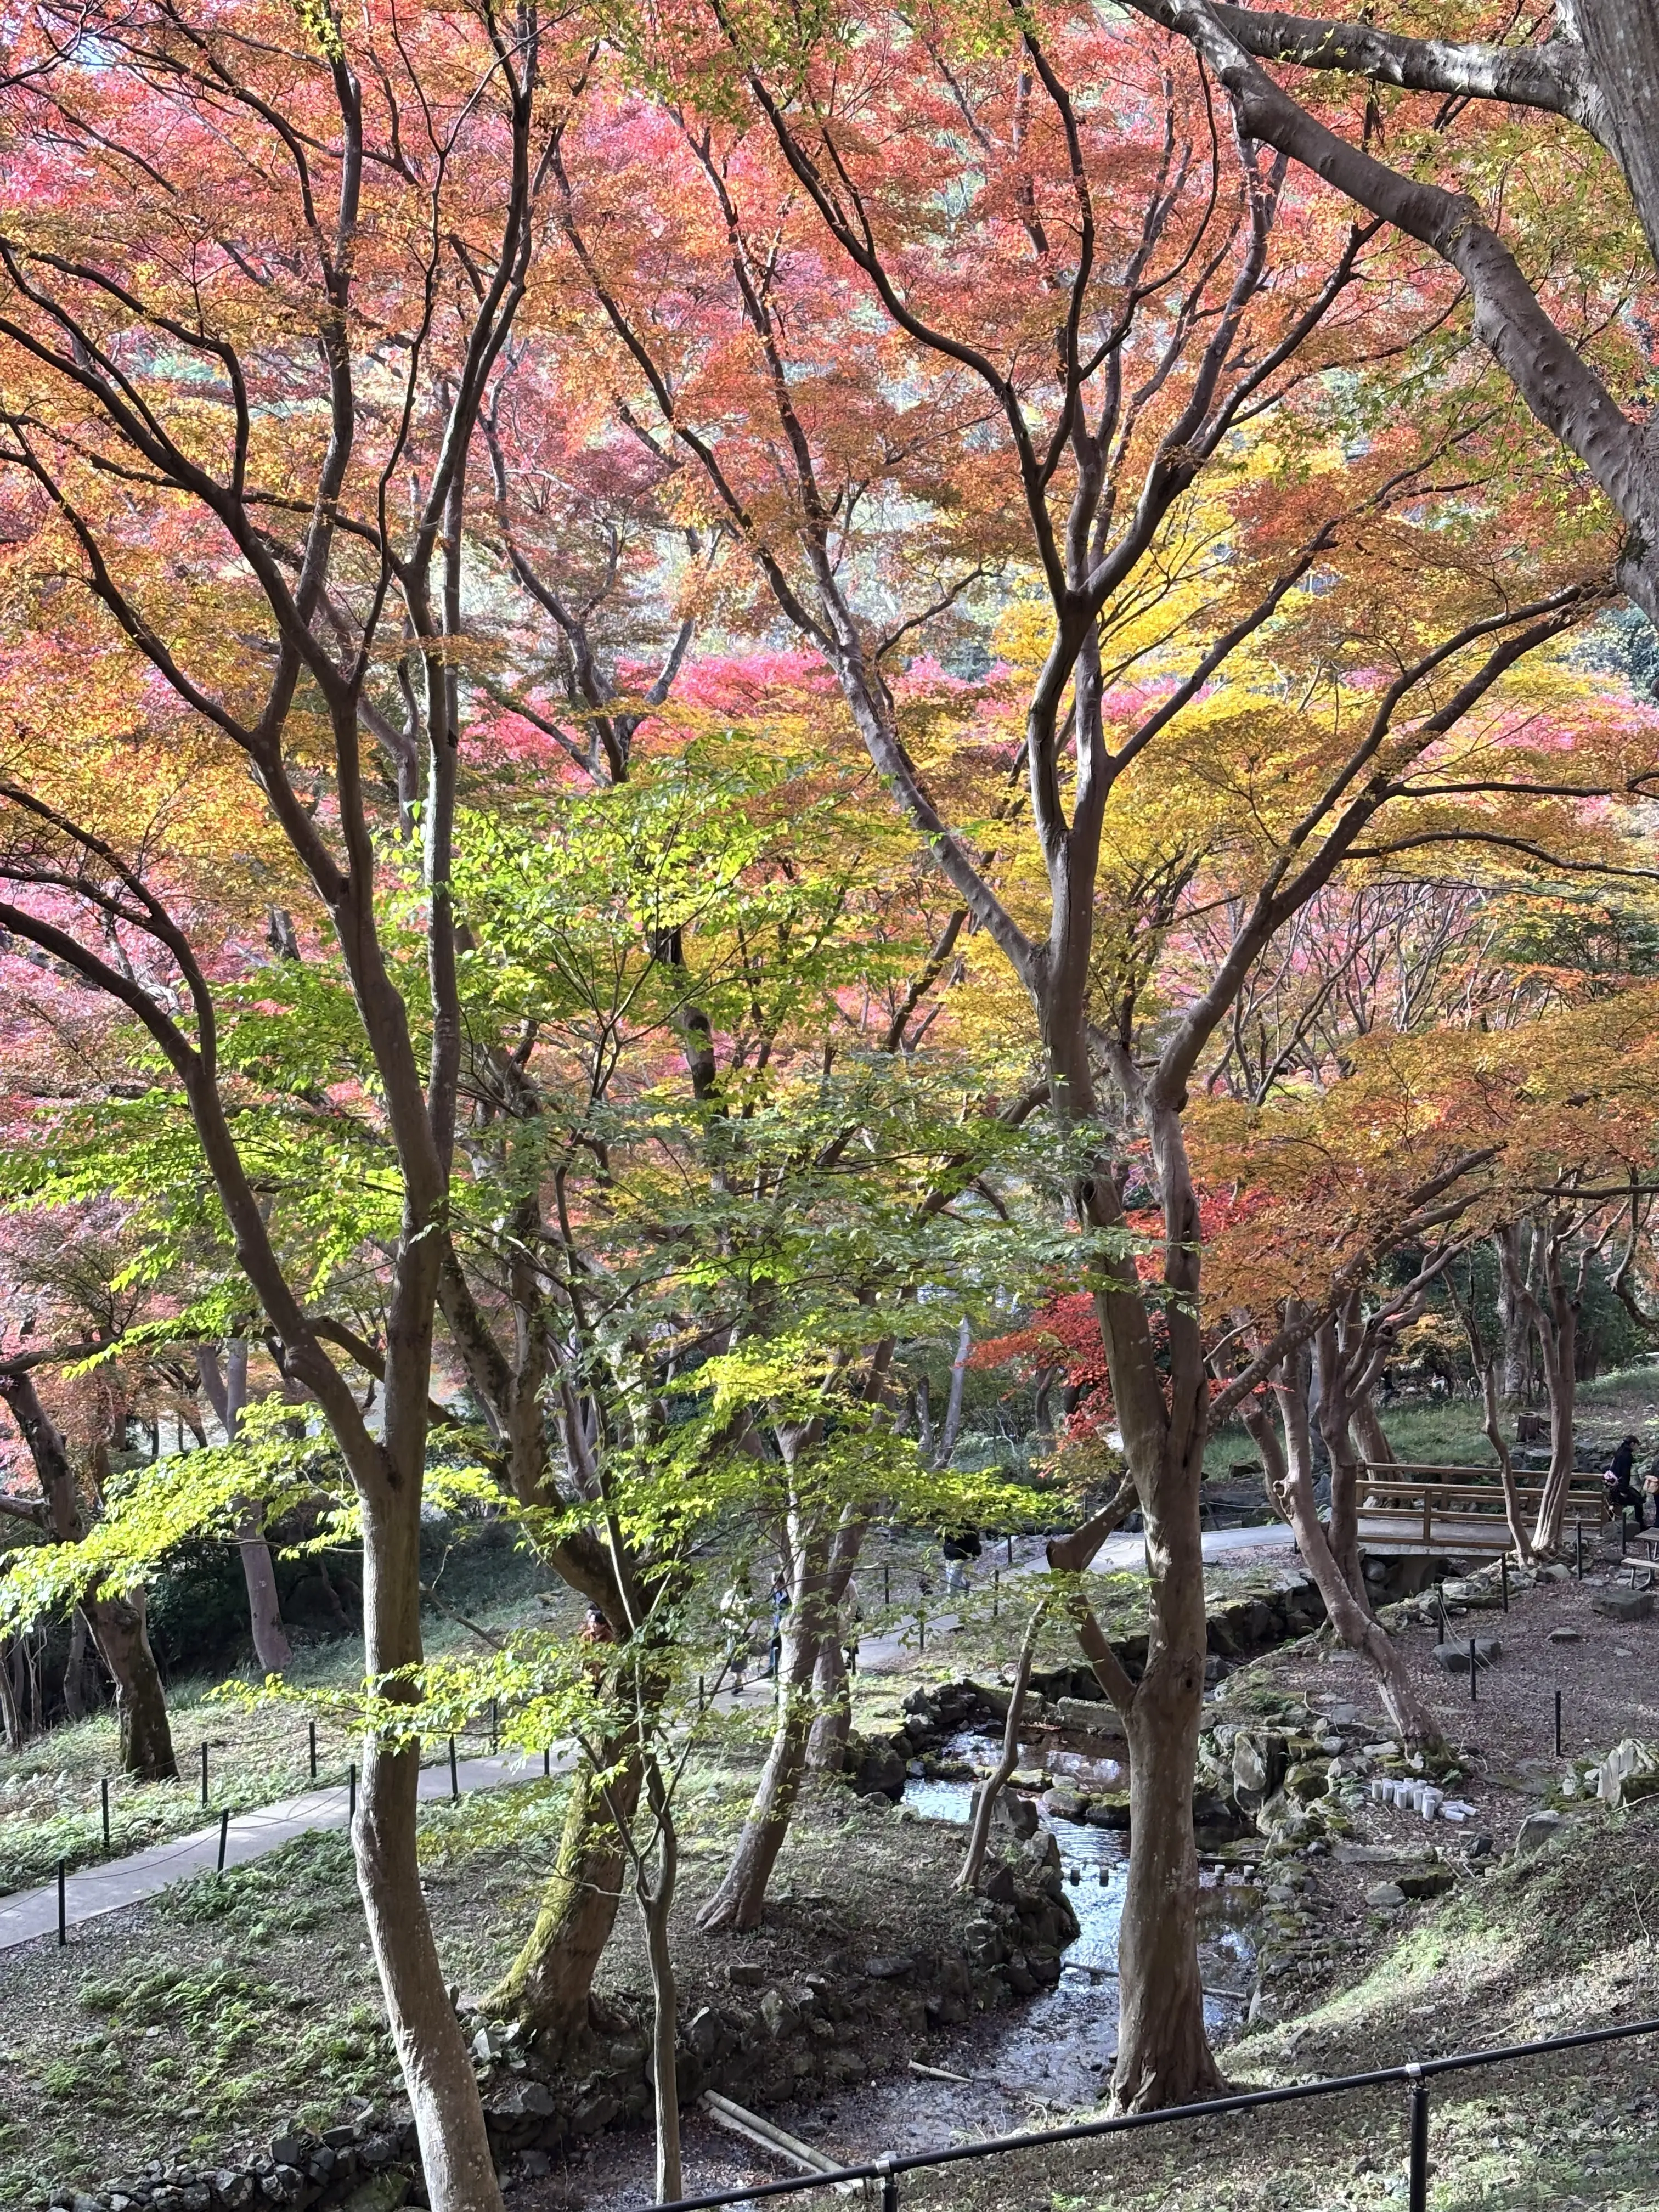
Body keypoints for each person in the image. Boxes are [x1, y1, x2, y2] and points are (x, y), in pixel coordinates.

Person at [719, 1571, 753, 1695]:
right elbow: (723, 1609)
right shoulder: (730, 1595)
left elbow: (751, 1616)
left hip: (742, 1631)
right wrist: (725, 1621)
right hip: (732, 1629)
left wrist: (749, 1631)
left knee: (738, 1657)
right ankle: (739, 1680)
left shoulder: (748, 1599)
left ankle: (738, 1681)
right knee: (733, 1655)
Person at [1605, 1435, 1644, 1528]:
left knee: (1613, 1505)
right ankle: (1640, 1525)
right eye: (1637, 1445)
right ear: (1632, 1444)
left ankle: (1609, 1524)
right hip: (1620, 1486)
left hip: (1612, 1483)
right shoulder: (1627, 1456)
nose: (1637, 1447)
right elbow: (1625, 1473)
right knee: (1639, 1501)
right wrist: (1624, 1490)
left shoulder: (1620, 1451)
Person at [940, 1524, 982, 1598]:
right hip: (949, 1557)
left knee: (953, 1578)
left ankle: (951, 1597)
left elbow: (976, 1545)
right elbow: (942, 1539)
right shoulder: (948, 1527)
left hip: (961, 1558)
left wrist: (975, 1556)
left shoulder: (970, 1531)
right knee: (951, 1576)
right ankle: (964, 1587)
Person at [765, 1569, 789, 1680]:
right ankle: (772, 1670)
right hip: (777, 1623)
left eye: (776, 1584)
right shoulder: (775, 1593)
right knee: (775, 1645)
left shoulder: (790, 1592)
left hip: (788, 1624)